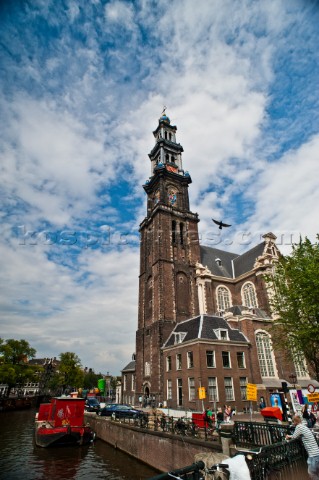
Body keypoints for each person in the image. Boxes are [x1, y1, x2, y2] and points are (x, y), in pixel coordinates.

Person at [286, 415, 319, 479]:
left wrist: (288, 436)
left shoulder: (298, 427)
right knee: (317, 472)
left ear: (295, 422)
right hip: (317, 453)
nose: (293, 423)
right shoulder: (304, 426)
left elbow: (294, 436)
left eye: (293, 422)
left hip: (313, 455)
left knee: (311, 473)